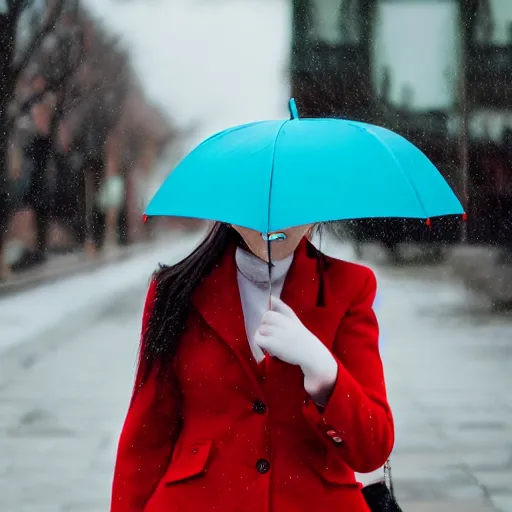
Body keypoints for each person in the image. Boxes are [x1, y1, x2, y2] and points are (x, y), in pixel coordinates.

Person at [111, 222, 394, 512]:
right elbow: (147, 435)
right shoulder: (175, 290)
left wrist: (324, 371)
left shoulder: (349, 286)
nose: (273, 217)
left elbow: (372, 447)